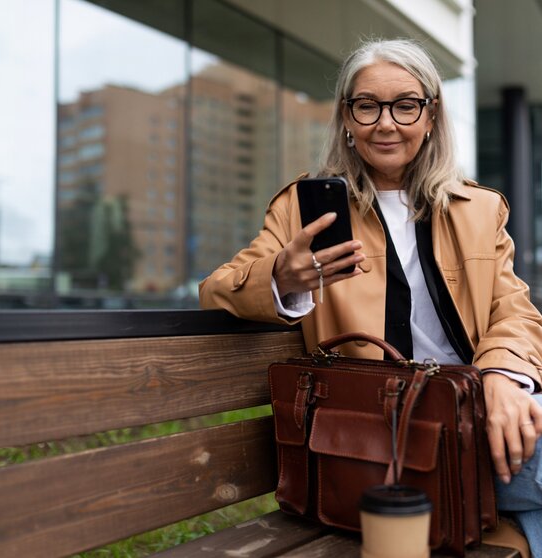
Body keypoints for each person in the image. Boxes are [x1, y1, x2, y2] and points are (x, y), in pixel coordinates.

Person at [199, 38, 542, 555]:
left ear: (431, 116)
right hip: (378, 429)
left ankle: (508, 529)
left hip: (477, 408)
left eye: (406, 105)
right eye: (368, 106)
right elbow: (217, 290)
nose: (386, 123)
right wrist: (282, 277)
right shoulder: (304, 207)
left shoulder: (478, 208)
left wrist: (501, 374)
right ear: (346, 117)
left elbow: (513, 310)